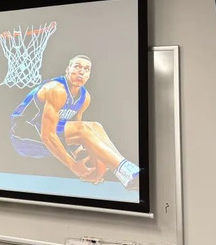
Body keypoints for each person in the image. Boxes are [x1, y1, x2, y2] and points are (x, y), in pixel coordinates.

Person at [10, 55, 140, 189]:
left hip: (49, 134)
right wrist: (73, 165)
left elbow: (80, 138)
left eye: (86, 69)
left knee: (95, 127)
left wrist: (96, 168)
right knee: (84, 129)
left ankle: (124, 175)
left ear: (89, 75)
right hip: (24, 135)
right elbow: (47, 135)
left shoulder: (85, 98)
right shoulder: (56, 89)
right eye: (77, 67)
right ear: (67, 70)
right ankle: (128, 171)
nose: (81, 72)